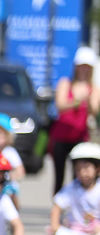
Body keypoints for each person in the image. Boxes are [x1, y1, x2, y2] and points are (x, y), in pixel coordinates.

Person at [49, 47, 100, 196]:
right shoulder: (66, 83)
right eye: (81, 66)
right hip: (60, 136)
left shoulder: (93, 88)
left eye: (87, 67)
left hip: (80, 137)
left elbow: (94, 111)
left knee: (78, 176)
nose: (84, 70)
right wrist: (77, 100)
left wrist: (88, 100)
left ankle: (75, 205)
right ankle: (57, 205)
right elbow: (60, 105)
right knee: (59, 175)